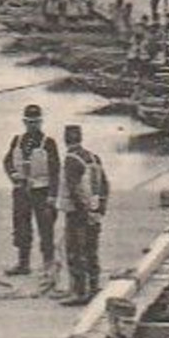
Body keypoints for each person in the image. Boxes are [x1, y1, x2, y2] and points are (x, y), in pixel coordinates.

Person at [3, 105, 61, 288]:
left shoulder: (48, 142)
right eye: (29, 122)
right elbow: (7, 161)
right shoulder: (17, 140)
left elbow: (55, 171)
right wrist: (13, 174)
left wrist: (53, 195)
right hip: (21, 190)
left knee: (46, 228)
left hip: (41, 190)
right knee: (21, 226)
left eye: (35, 122)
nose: (32, 126)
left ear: (41, 122)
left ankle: (48, 265)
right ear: (24, 122)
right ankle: (23, 263)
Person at [58, 125, 109, 307]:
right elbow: (104, 185)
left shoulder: (71, 159)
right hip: (95, 211)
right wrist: (99, 209)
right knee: (91, 251)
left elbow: (74, 190)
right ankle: (94, 288)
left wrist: (83, 211)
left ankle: (79, 292)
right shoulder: (94, 158)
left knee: (75, 251)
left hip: (77, 214)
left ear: (65, 139)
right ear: (81, 137)